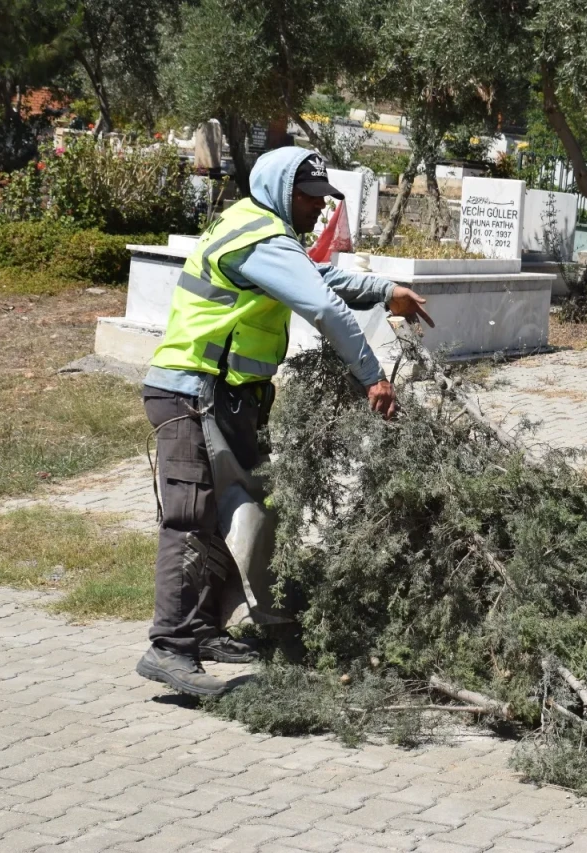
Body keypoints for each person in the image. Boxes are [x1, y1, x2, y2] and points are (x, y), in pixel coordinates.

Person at [136, 147, 433, 697]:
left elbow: (315, 277)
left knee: (242, 507)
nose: (318, 210)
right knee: (191, 516)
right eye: (309, 198)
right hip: (192, 392)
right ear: (279, 190)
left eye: (324, 200)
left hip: (231, 397)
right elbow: (321, 305)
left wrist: (386, 291)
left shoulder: (264, 233)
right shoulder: (260, 235)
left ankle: (202, 629)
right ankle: (169, 648)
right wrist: (372, 376)